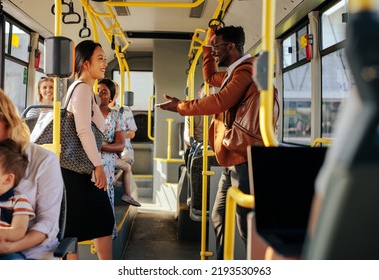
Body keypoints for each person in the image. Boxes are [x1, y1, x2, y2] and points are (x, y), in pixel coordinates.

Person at [156, 25, 280, 259]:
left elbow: (219, 102)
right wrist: (206, 45)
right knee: (219, 215)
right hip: (233, 158)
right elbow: (211, 77)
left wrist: (181, 107)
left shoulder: (247, 71)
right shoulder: (235, 72)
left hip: (246, 159)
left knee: (245, 226)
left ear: (231, 47)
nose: (214, 52)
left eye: (217, 48)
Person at [60, 40, 114, 260]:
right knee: (101, 222)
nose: (104, 62)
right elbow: (83, 130)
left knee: (74, 227)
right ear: (85, 63)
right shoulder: (81, 89)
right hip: (77, 170)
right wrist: (98, 166)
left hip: (74, 169)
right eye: (100, 58)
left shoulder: (85, 91)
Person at [0, 88, 63, 260]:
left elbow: (48, 222)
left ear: (7, 121)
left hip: (30, 251)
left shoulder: (43, 160)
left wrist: (10, 245)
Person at [98, 78, 126, 239]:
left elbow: (120, 145)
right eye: (98, 90)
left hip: (106, 157)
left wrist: (100, 146)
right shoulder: (86, 113)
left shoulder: (115, 116)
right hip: (86, 156)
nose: (100, 94)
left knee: (104, 164)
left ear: (110, 97)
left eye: (104, 91)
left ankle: (107, 230)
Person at [0, 139, 34, 260]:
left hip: (5, 251)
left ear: (8, 179)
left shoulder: (18, 201)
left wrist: (2, 233)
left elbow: (19, 230)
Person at [110, 82, 141, 207]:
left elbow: (132, 133)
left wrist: (117, 135)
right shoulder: (96, 109)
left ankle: (114, 180)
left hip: (121, 146)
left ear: (116, 94)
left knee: (126, 155)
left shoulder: (125, 111)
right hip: (105, 145)